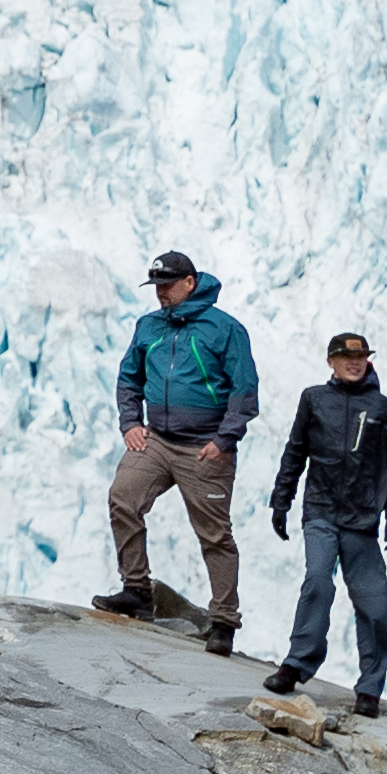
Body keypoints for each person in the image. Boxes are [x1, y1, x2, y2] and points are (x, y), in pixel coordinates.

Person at [112, 248, 264, 655]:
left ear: (189, 283)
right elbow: (129, 378)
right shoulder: (149, 326)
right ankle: (137, 591)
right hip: (157, 440)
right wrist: (131, 423)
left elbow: (245, 391)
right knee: (123, 498)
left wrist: (224, 439)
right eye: (156, 286)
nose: (160, 293)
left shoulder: (224, 329)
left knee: (215, 534)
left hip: (205, 448)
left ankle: (224, 621)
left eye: (167, 285)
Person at [264, 331, 387, 716]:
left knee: (375, 606)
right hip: (320, 511)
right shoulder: (314, 399)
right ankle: (296, 665)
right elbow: (295, 451)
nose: (354, 362)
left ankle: (370, 690)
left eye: (361, 357)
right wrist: (281, 500)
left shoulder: (382, 409)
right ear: (330, 361)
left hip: (362, 520)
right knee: (317, 581)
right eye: (346, 357)